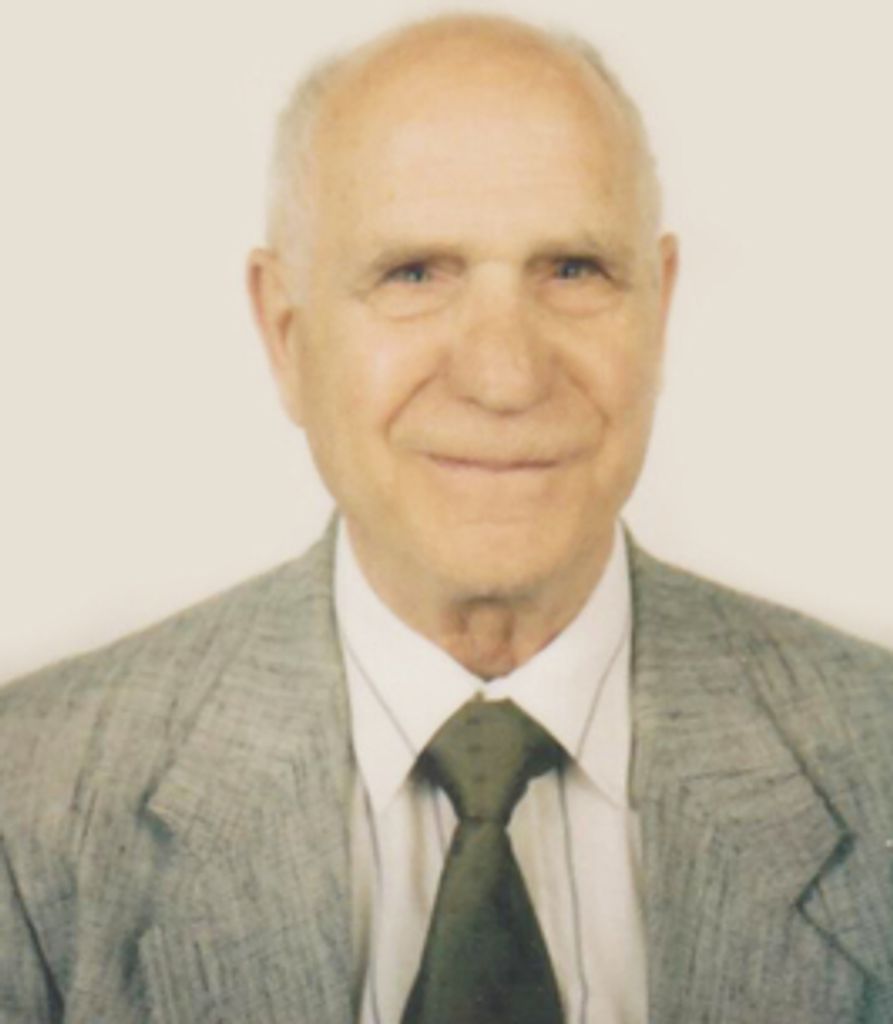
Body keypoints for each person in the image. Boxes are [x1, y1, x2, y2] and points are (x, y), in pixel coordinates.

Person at [1, 13, 891, 1024]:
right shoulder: (29, 805)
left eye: (573, 269)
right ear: (285, 334)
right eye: (414, 273)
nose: (504, 376)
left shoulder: (875, 757)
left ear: (659, 309)